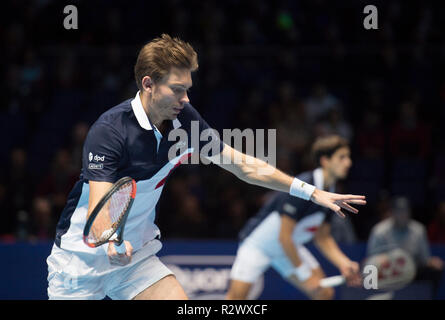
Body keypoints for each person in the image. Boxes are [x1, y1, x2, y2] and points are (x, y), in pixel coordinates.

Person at [46, 34, 366, 300]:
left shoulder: (184, 119)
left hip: (136, 261)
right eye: (177, 88)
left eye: (187, 88)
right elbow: (99, 213)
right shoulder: (110, 131)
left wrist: (311, 192)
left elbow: (243, 166)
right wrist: (112, 241)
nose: (185, 98)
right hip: (81, 263)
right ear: (148, 84)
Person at [226, 135, 362, 300]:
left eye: (348, 157)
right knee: (235, 300)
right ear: (325, 160)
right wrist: (304, 274)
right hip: (258, 246)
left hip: (287, 249)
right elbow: (284, 236)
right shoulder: (305, 185)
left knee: (324, 294)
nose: (348, 163)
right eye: (342, 157)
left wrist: (344, 263)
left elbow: (322, 237)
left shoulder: (330, 192)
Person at [367, 196, 444, 298]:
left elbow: (424, 259)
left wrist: (431, 262)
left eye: (405, 211)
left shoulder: (419, 230)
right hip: (388, 271)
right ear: (392, 213)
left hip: (413, 270)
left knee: (435, 270)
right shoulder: (379, 230)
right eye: (399, 211)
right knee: (370, 272)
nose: (402, 215)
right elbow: (371, 258)